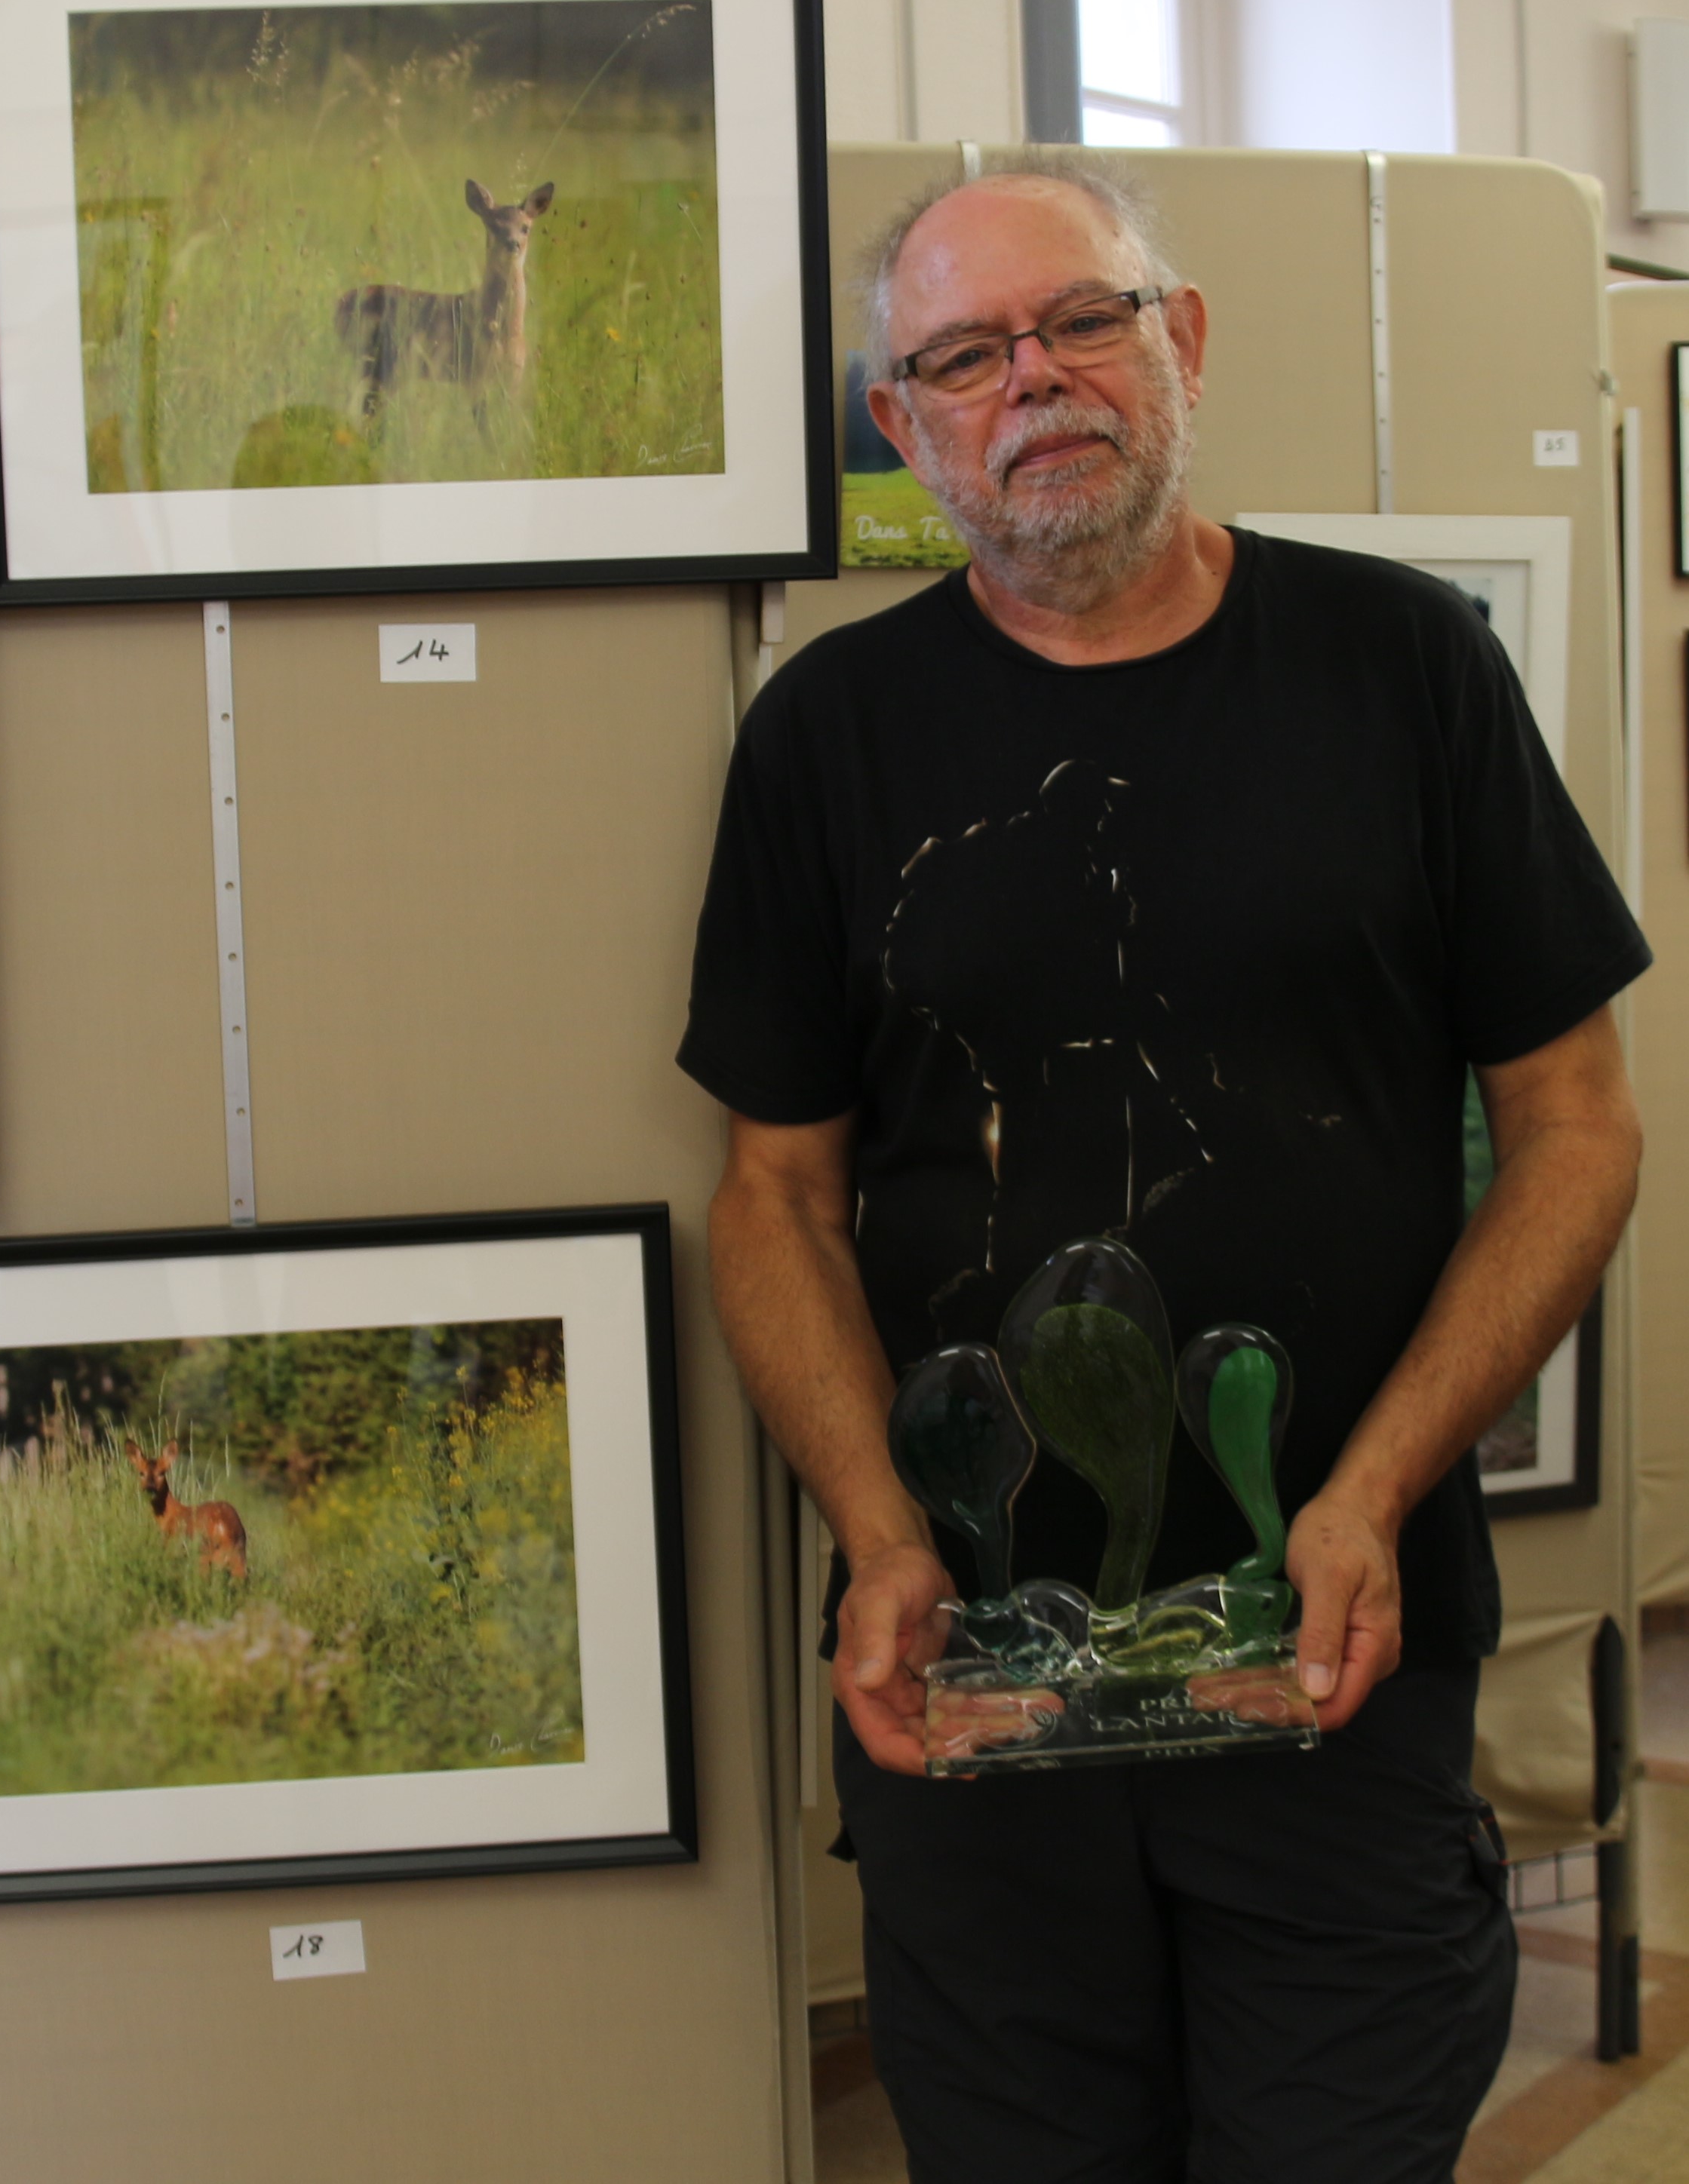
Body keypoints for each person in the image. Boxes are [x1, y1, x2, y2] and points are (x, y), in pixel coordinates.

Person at [679, 151, 1648, 2182]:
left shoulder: (1407, 674)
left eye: (1081, 321)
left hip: (1333, 1656)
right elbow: (772, 1194)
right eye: (964, 354)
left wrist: (1375, 1490)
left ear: (1181, 340)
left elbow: (1578, 1127)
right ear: (902, 421)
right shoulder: (824, 740)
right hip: (980, 1692)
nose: (1032, 381)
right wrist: (879, 1534)